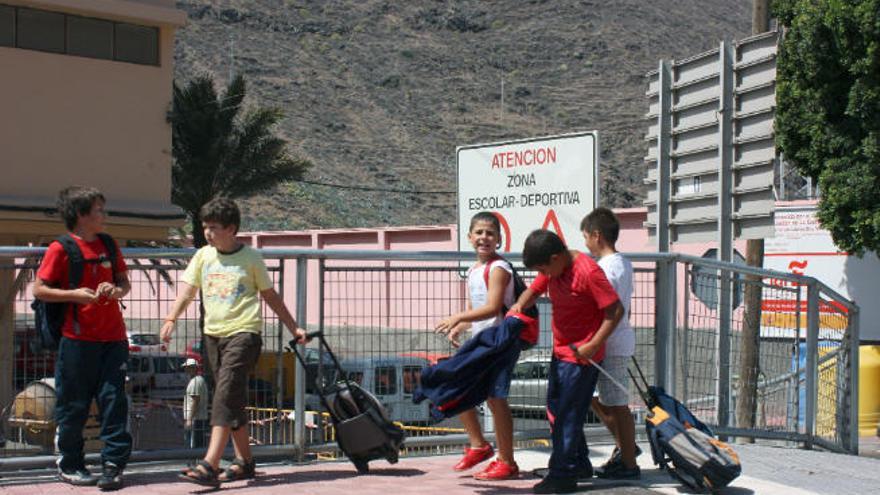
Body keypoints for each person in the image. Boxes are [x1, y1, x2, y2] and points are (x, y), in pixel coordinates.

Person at [160, 197, 307, 488]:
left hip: (244, 334)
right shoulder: (203, 256)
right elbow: (188, 290)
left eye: (213, 227)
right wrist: (170, 319)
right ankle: (245, 462)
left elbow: (271, 297)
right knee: (232, 399)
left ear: (231, 228)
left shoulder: (250, 258)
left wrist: (294, 327)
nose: (207, 233)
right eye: (204, 227)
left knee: (224, 395)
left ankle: (209, 464)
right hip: (213, 336)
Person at [32, 186, 131, 491]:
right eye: (99, 210)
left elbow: (123, 283)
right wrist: (73, 295)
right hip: (76, 340)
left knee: (114, 402)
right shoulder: (60, 249)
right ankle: (71, 464)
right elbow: (39, 289)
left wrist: (115, 291)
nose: (104, 215)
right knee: (73, 405)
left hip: (113, 338)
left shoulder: (108, 244)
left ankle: (113, 466)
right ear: (81, 215)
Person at [510, 229, 623, 494]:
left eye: (544, 268)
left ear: (556, 256)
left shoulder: (588, 272)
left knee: (566, 415)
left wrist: (594, 343)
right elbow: (534, 291)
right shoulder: (551, 269)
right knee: (555, 411)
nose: (545, 275)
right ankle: (578, 463)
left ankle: (562, 475)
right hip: (560, 353)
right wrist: (517, 309)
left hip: (583, 358)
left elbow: (616, 310)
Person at [434, 211, 520, 480]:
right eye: (479, 232)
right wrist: (462, 325)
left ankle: (507, 460)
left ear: (499, 239)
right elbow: (477, 310)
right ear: (469, 237)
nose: (484, 237)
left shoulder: (499, 268)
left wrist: (458, 317)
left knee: (496, 399)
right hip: (482, 342)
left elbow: (493, 307)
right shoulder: (473, 270)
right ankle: (478, 445)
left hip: (500, 343)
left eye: (490, 233)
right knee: (455, 387)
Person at [582, 208, 641, 479]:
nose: (585, 244)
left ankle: (629, 462)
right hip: (613, 341)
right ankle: (626, 447)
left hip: (611, 343)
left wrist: (595, 342)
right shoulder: (623, 262)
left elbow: (610, 310)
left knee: (617, 404)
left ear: (596, 235)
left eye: (586, 237)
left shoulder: (606, 268)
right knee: (599, 399)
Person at [182, 358, 209, 449]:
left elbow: (195, 400)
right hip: (198, 418)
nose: (186, 370)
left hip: (196, 419)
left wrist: (189, 419)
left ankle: (193, 463)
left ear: (194, 368)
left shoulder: (195, 382)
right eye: (185, 368)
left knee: (192, 446)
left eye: (188, 367)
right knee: (198, 445)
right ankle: (195, 462)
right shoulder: (198, 380)